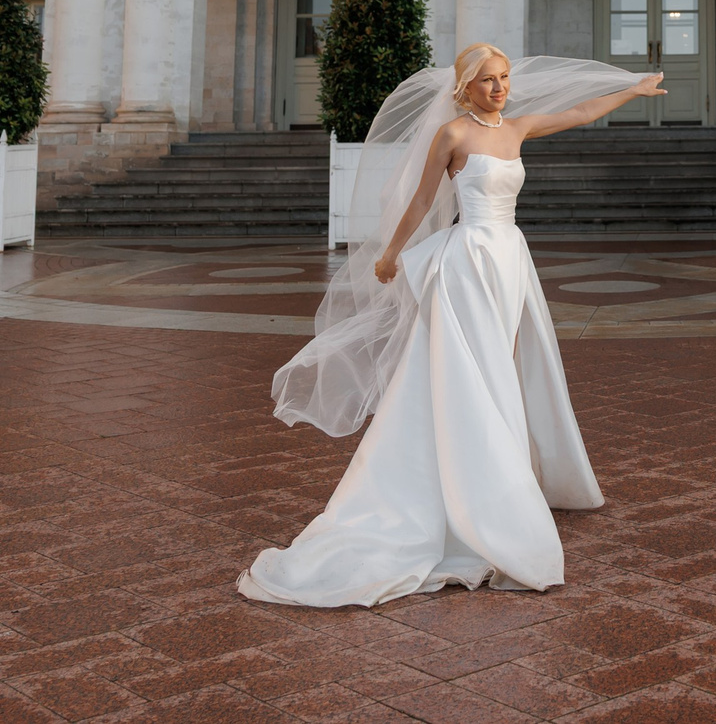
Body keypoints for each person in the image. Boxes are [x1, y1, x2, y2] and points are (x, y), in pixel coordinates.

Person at [237, 46, 664, 607]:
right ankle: (480, 487)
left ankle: (502, 472)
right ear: (465, 87)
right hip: (466, 264)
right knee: (471, 365)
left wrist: (632, 91)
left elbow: (579, 114)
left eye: (505, 78)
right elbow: (418, 202)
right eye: (488, 80)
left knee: (503, 364)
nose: (500, 87)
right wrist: (390, 254)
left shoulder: (517, 128)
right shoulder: (452, 136)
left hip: (510, 258)